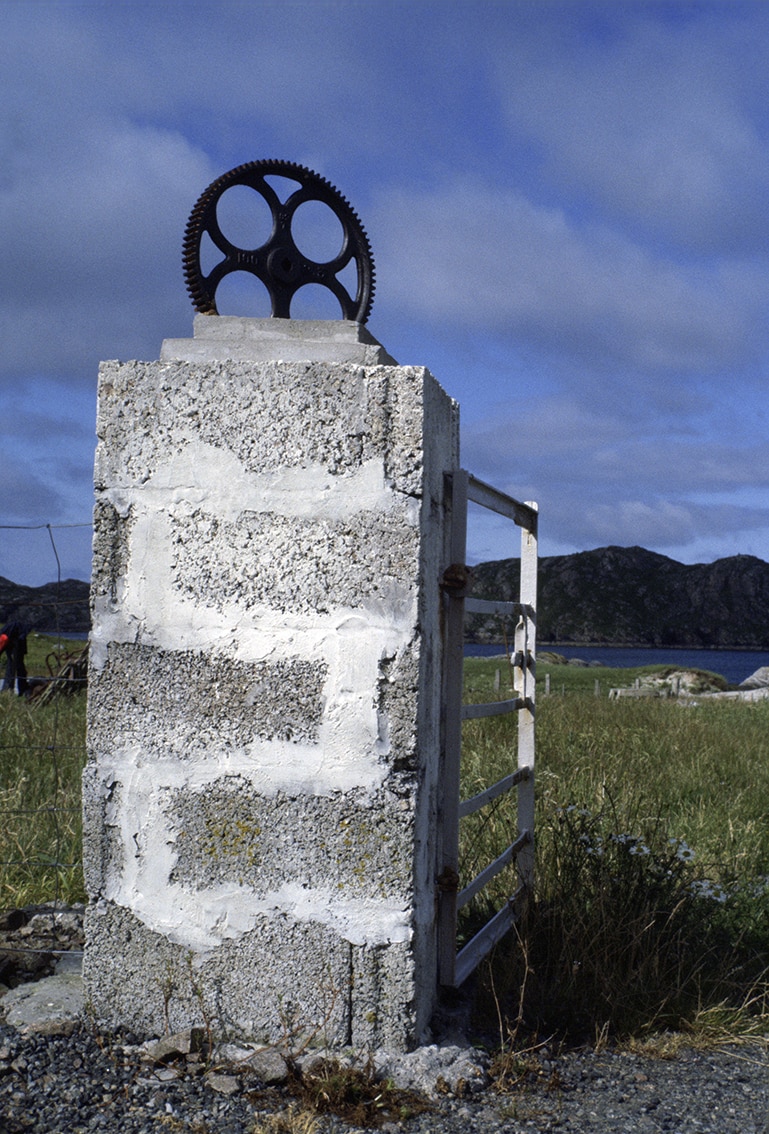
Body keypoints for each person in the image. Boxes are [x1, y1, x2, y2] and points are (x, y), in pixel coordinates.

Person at [0, 621, 29, 695]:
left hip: (14, 641)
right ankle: (20, 689)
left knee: (13, 666)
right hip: (15, 640)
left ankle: (8, 689)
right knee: (16, 667)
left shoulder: (5, 636)